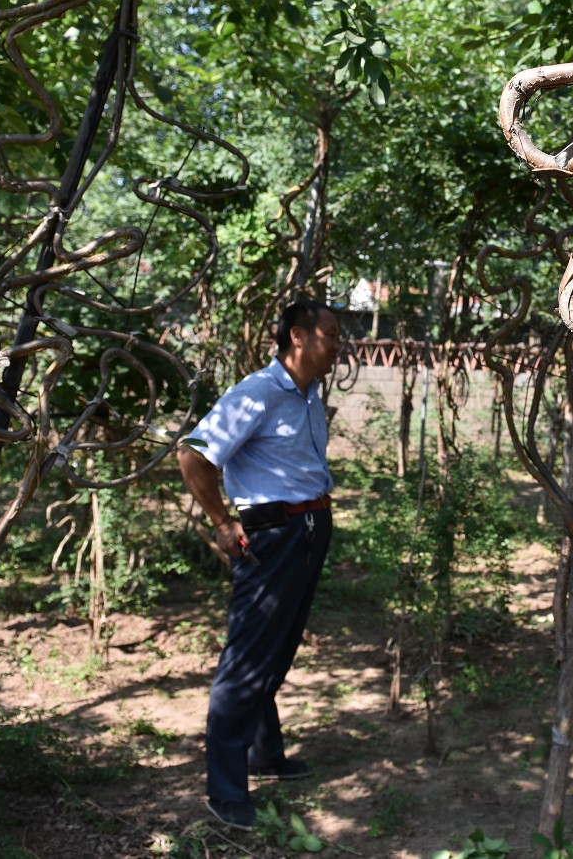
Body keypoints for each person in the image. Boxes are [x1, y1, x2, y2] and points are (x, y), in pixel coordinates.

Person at [179, 300, 342, 830]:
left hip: (309, 531)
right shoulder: (258, 393)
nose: (340, 345)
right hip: (272, 536)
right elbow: (193, 454)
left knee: (279, 647)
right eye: (332, 334)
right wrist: (222, 522)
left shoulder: (309, 396)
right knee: (248, 656)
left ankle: (264, 755)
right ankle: (225, 791)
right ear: (299, 336)